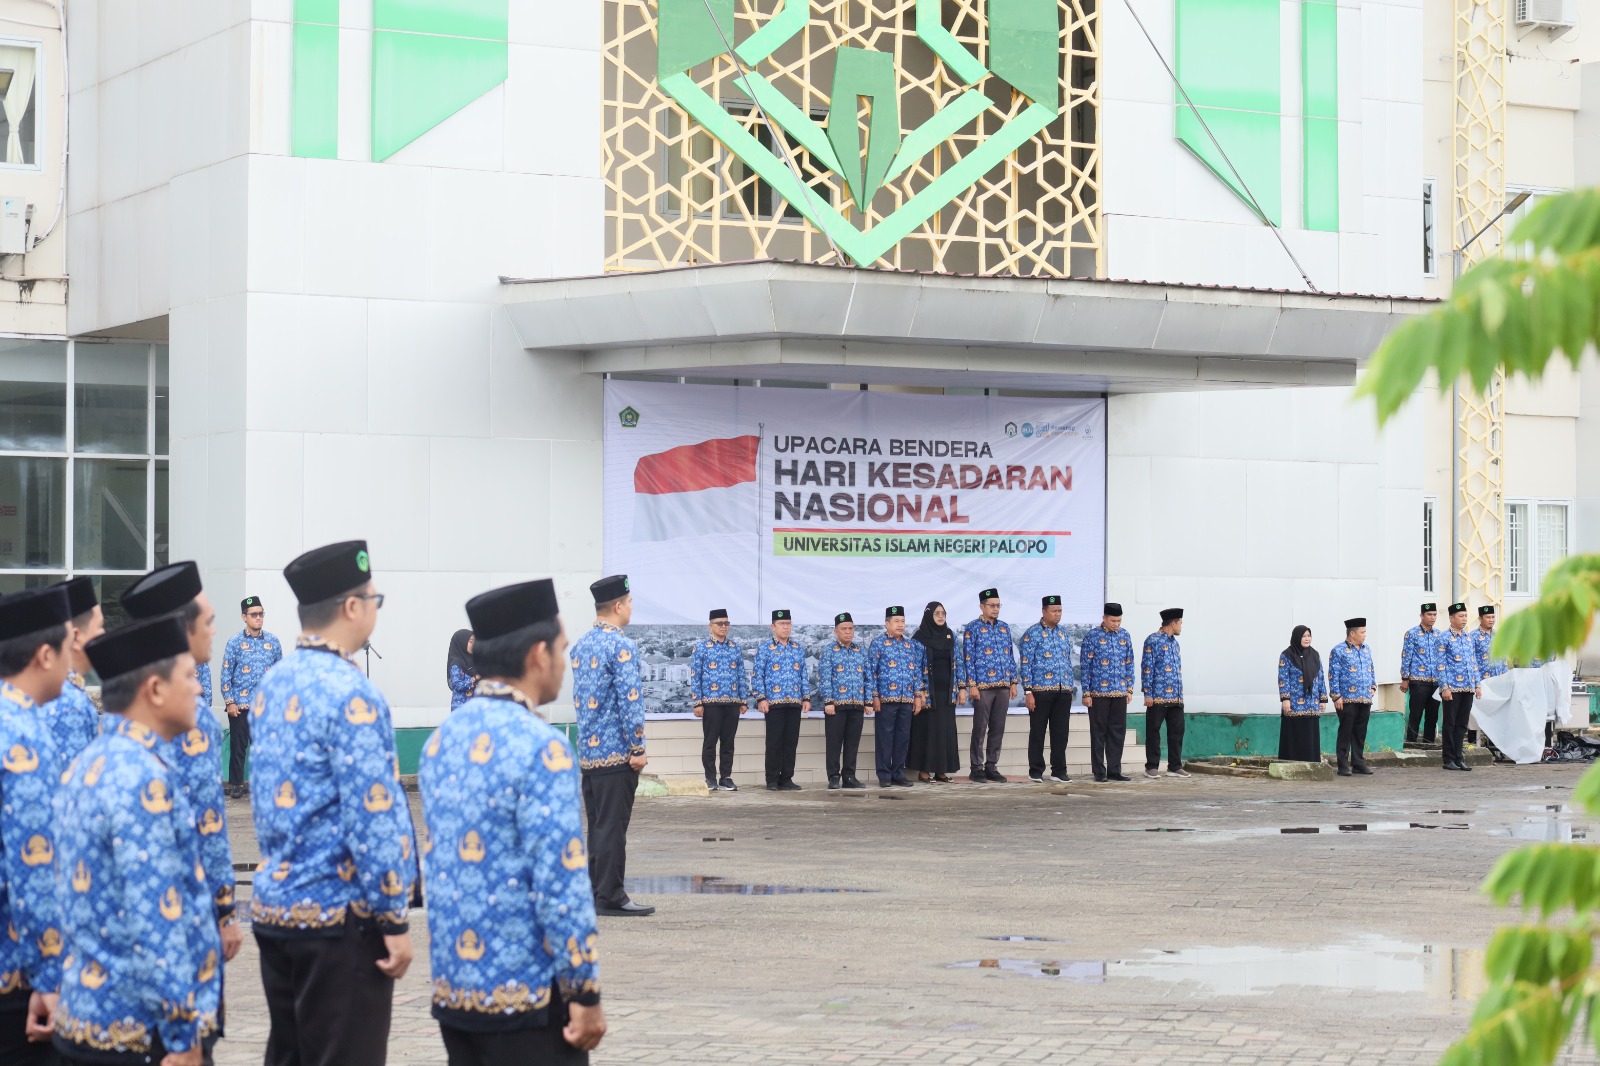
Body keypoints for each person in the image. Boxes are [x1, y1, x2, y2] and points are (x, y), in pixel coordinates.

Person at [419, 580, 607, 1065]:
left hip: (456, 991)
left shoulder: (442, 740)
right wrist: (584, 991)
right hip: (528, 999)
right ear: (538, 655)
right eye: (562, 650)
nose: (564, 664)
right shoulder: (543, 748)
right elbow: (560, 882)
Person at [250, 540, 417, 1066]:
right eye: (374, 599)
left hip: (277, 910)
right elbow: (374, 817)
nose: (374, 610)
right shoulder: (354, 693)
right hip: (339, 922)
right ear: (352, 607)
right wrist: (393, 917)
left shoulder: (271, 684)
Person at [54, 615, 221, 1066]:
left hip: (85, 1017)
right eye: (189, 676)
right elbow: (156, 917)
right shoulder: (141, 779)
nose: (201, 689)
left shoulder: (88, 763)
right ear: (155, 690)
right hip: (138, 1034)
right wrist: (183, 1035)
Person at [121, 563, 241, 965]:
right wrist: (225, 910)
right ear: (181, 630)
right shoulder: (193, 718)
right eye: (207, 622)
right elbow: (208, 822)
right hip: (183, 917)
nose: (213, 631)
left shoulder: (123, 702)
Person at [0, 586, 71, 1064]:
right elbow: (34, 861)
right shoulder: (24, 734)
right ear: (45, 655)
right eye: (69, 647)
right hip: (16, 976)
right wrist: (49, 978)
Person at [570, 575, 653, 916]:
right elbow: (629, 702)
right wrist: (638, 748)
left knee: (599, 825)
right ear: (618, 606)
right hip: (618, 752)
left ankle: (596, 891)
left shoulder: (582, 644)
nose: (632, 607)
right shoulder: (621, 646)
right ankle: (611, 896)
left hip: (590, 754)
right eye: (630, 602)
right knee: (613, 828)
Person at [219, 595, 283, 798]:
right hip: (240, 706)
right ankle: (236, 784)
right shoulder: (235, 642)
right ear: (244, 617)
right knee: (239, 748)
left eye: (261, 613)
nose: (258, 618)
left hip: (264, 707)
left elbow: (279, 674)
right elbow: (226, 674)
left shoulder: (273, 642)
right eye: (254, 614)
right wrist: (229, 702)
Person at [42, 576, 104, 773]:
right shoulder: (69, 704)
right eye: (100, 626)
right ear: (76, 637)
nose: (104, 633)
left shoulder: (55, 689)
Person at [960, 589, 1018, 783]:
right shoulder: (973, 628)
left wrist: (1013, 682)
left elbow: (1010, 656)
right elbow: (968, 658)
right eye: (992, 605)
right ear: (982, 607)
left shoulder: (1004, 628)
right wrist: (972, 685)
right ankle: (976, 768)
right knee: (980, 727)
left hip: (1003, 684)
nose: (995, 609)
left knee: (998, 727)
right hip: (982, 687)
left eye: (998, 605)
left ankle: (991, 766)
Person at [868, 606, 927, 789]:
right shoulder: (878, 644)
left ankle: (898, 773)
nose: (900, 625)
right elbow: (871, 672)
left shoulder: (910, 645)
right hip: (886, 700)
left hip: (906, 699)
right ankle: (884, 775)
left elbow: (916, 672)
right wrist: (874, 697)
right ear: (887, 624)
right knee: (885, 738)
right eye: (896, 621)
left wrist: (918, 695)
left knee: (903, 738)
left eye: (902, 621)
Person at [689, 609, 747, 792]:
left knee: (728, 742)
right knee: (710, 741)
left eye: (726, 623)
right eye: (720, 623)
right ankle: (710, 778)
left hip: (732, 701)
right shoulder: (701, 647)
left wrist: (743, 700)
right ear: (710, 626)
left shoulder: (734, 647)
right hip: (711, 702)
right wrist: (697, 702)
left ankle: (726, 777)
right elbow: (695, 676)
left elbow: (740, 675)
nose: (724, 626)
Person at [1019, 595, 1074, 784]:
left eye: (1060, 611)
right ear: (1044, 612)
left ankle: (1059, 770)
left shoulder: (1063, 633)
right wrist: (1028, 691)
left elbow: (1068, 660)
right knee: (1038, 732)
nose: (1058, 614)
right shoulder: (1032, 633)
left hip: (1063, 690)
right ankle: (1036, 770)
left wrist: (1070, 687)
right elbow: (1025, 664)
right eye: (1054, 611)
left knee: (1061, 732)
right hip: (1040, 691)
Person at [752, 609, 808, 792]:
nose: (786, 627)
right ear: (773, 626)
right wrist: (761, 698)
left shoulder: (797, 648)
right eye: (782, 624)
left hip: (794, 701)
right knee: (774, 742)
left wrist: (806, 697)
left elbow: (803, 675)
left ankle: (787, 778)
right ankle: (772, 779)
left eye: (788, 624)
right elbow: (757, 675)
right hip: (773, 703)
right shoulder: (765, 648)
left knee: (791, 742)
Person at [908, 602, 963, 783]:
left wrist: (962, 688)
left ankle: (941, 771)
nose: (941, 617)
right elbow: (914, 667)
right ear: (929, 616)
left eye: (943, 613)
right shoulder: (919, 638)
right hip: (928, 693)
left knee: (945, 731)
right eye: (937, 614)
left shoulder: (950, 636)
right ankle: (924, 772)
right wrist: (920, 692)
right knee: (928, 731)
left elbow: (959, 663)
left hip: (947, 693)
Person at [1080, 603, 1134, 782]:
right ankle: (1099, 771)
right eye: (1113, 620)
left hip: (1119, 692)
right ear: (1104, 618)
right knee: (1098, 733)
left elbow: (1129, 663)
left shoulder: (1125, 636)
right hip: (1098, 694)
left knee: (1118, 733)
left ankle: (1114, 770)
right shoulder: (1093, 636)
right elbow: (1085, 666)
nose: (1116, 624)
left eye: (1119, 620)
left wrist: (1129, 688)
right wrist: (1086, 692)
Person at [817, 612, 871, 791]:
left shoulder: (860, 651)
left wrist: (868, 701)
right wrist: (828, 701)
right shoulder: (829, 651)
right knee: (834, 742)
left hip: (857, 704)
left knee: (852, 742)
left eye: (851, 628)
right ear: (836, 631)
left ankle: (849, 776)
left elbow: (867, 677)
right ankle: (833, 776)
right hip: (836, 706)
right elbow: (824, 678)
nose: (848, 632)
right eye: (844, 629)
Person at [1141, 608, 1188, 779]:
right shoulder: (1152, 640)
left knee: (1177, 731)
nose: (1181, 626)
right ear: (1173, 623)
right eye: (1180, 623)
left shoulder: (1175, 643)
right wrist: (1148, 693)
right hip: (1157, 696)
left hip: (1176, 696)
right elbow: (1147, 668)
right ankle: (1151, 766)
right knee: (1153, 731)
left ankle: (1174, 766)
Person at [1327, 617, 1377, 776]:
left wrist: (1373, 686)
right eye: (1362, 632)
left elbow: (1371, 668)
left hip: (1364, 697)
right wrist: (1336, 696)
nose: (1364, 635)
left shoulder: (1366, 649)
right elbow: (1333, 675)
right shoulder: (1338, 650)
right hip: (1346, 699)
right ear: (1352, 633)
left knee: (1360, 732)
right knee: (1346, 732)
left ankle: (1358, 763)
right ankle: (1342, 764)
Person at [1439, 602, 1482, 771]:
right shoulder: (1444, 637)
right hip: (1452, 688)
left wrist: (1477, 684)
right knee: (1449, 723)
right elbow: (1440, 665)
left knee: (1462, 725)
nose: (1464, 619)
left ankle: (1459, 757)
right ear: (1451, 618)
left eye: (1465, 616)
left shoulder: (1468, 637)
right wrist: (1444, 687)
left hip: (1468, 687)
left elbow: (1474, 663)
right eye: (1460, 616)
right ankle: (1448, 759)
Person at [1278, 625, 1327, 761]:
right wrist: (1285, 699)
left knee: (1310, 736)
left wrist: (1323, 699)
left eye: (1309, 636)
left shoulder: (1315, 655)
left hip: (1312, 704)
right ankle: (1293, 764)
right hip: (1294, 704)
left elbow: (1321, 677)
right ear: (1297, 637)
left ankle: (1311, 764)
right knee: (1295, 735)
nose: (1307, 639)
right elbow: (1283, 678)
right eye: (1304, 636)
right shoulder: (1287, 655)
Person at [1400, 602, 1447, 744]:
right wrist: (1404, 678)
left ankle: (1429, 742)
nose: (1432, 617)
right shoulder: (1412, 634)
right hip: (1418, 680)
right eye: (1429, 614)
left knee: (1432, 715)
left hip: (1436, 681)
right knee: (1416, 713)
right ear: (1422, 616)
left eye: (1434, 614)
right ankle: (1412, 742)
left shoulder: (1439, 634)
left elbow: (1443, 658)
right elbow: (1406, 656)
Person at [446, 629, 476, 713]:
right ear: (462, 643)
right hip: (461, 710)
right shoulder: (456, 663)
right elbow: (457, 685)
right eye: (470, 642)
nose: (473, 645)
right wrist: (474, 679)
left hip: (474, 708)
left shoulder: (474, 661)